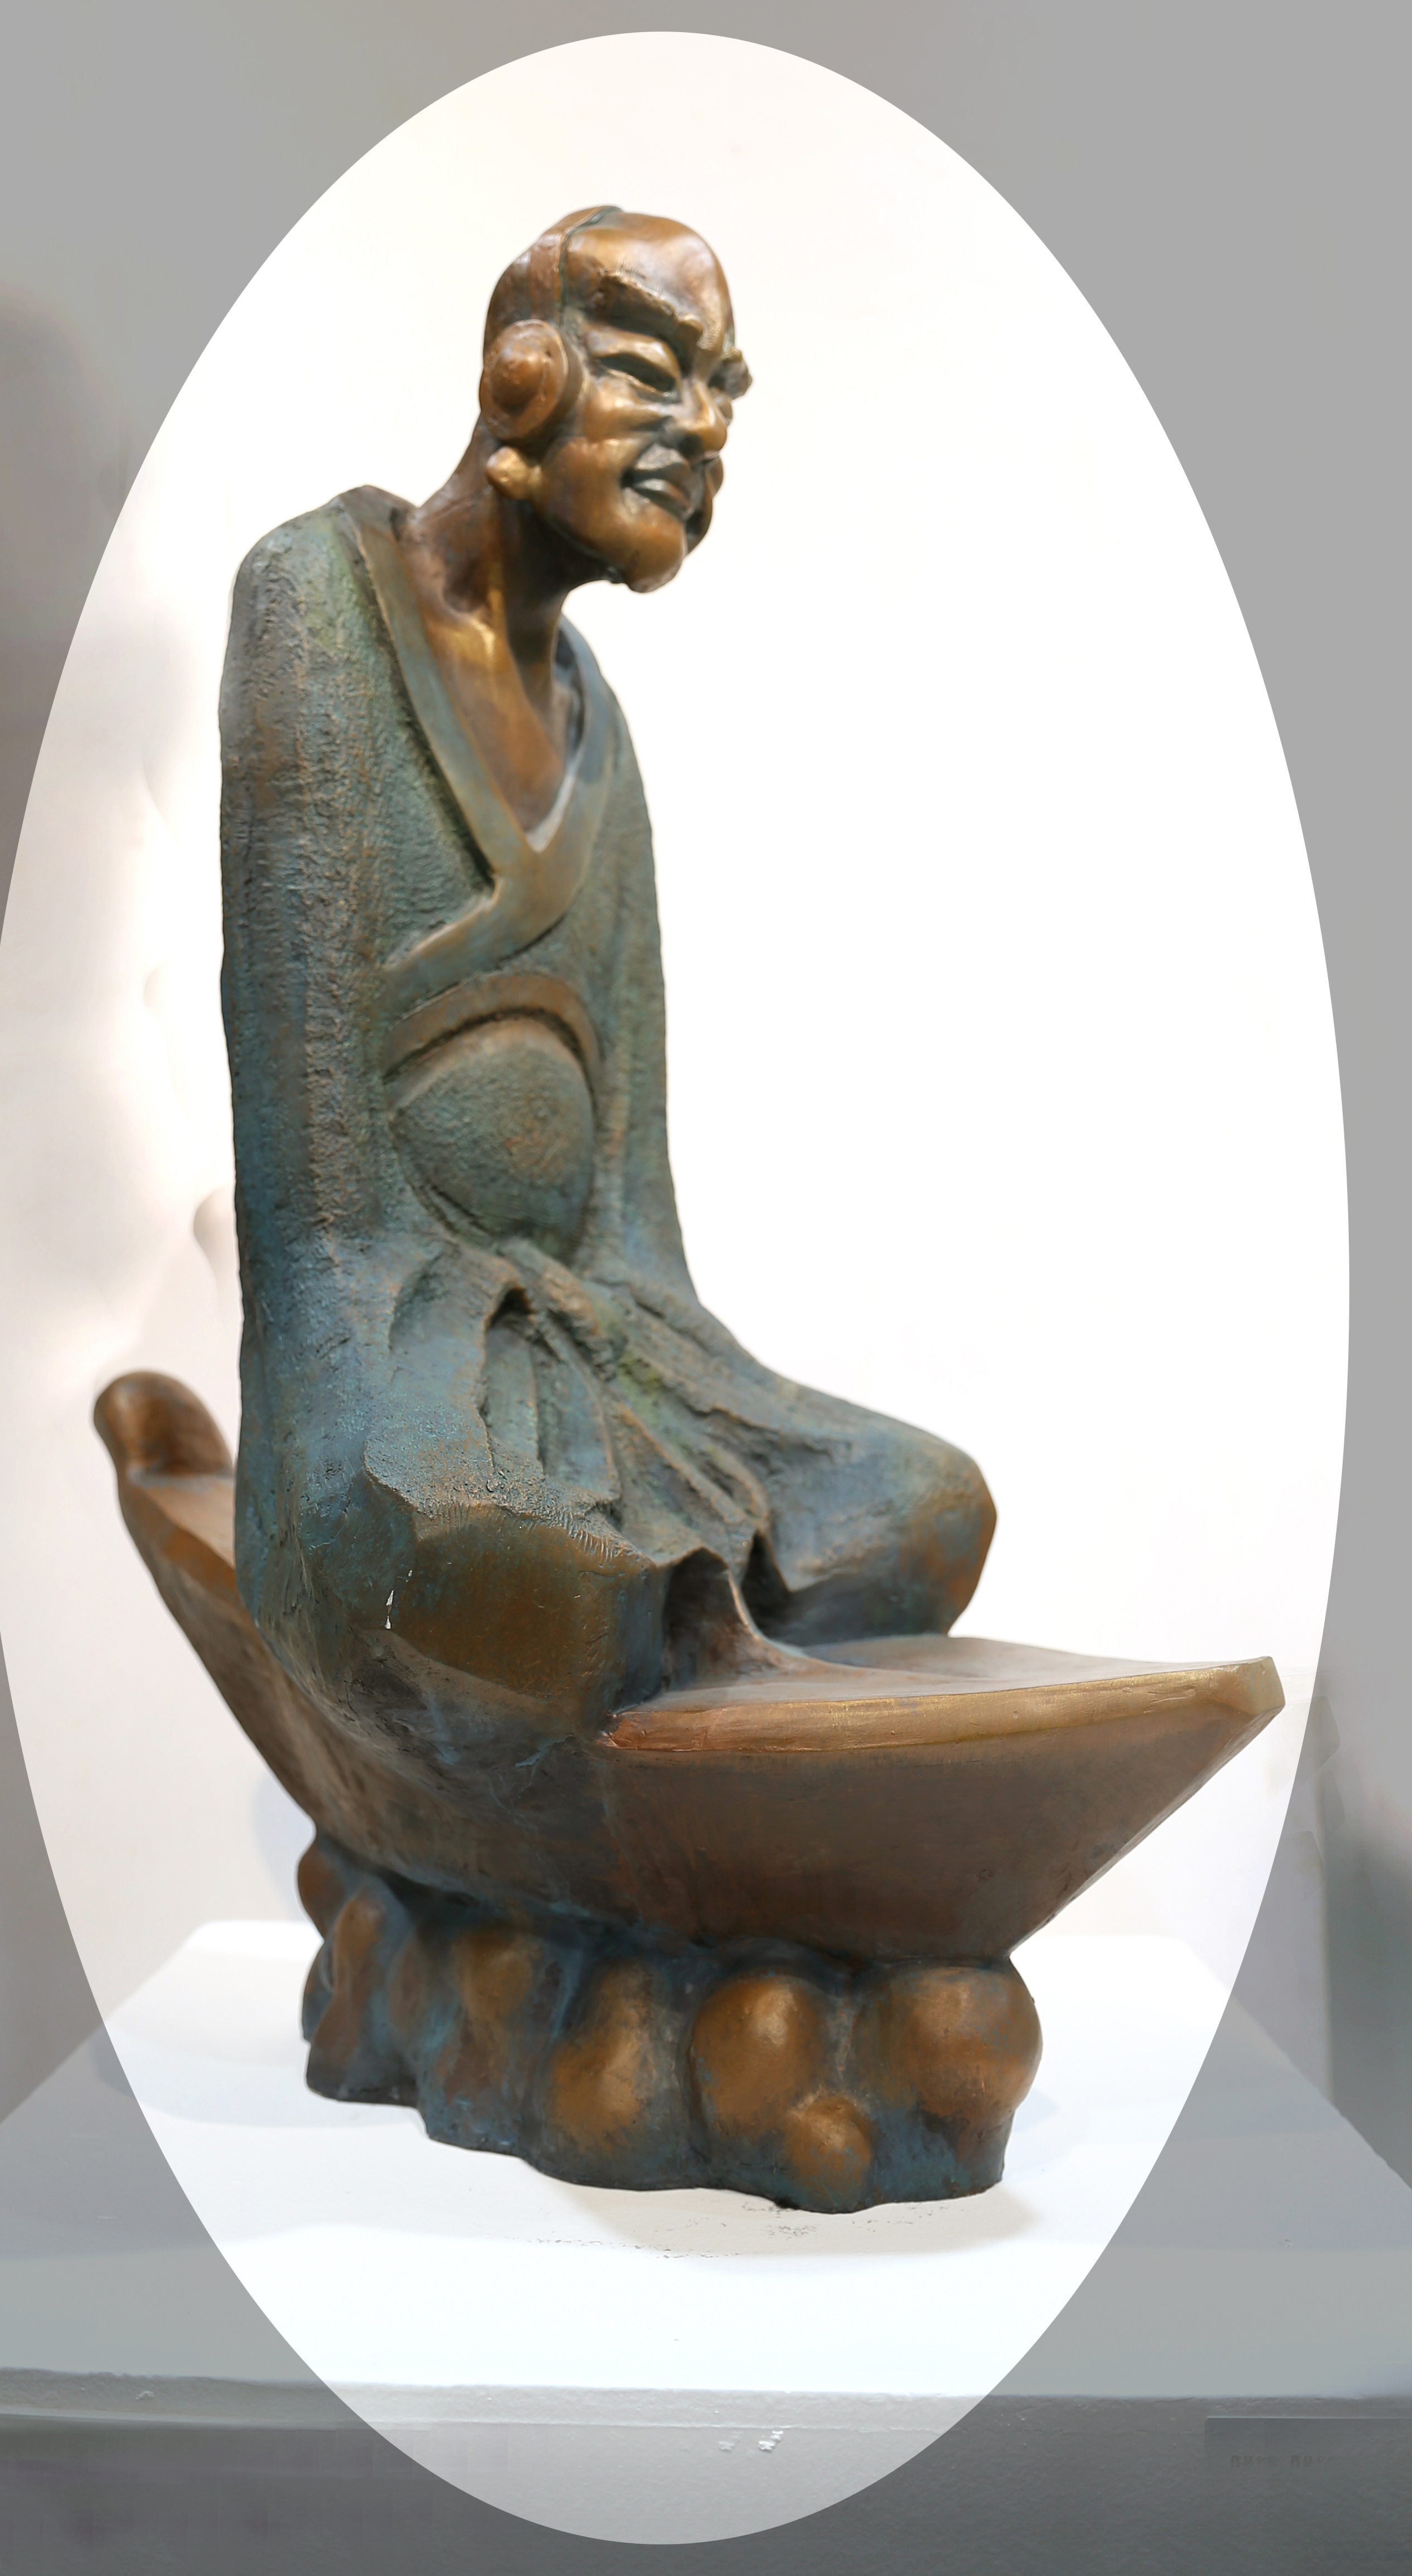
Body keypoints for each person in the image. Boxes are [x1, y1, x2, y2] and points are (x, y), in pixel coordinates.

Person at [220, 207, 994, 1755]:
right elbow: (320, 1213)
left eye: (725, 393)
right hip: (394, 1353)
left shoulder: (599, 724)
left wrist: (667, 1394)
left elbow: (635, 1225)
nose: (702, 431)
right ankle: (622, 1629)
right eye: (655, 374)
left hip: (593, 1346)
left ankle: (665, 1615)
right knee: (518, 1572)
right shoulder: (317, 599)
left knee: (923, 1512)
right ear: (524, 374)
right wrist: (363, 1423)